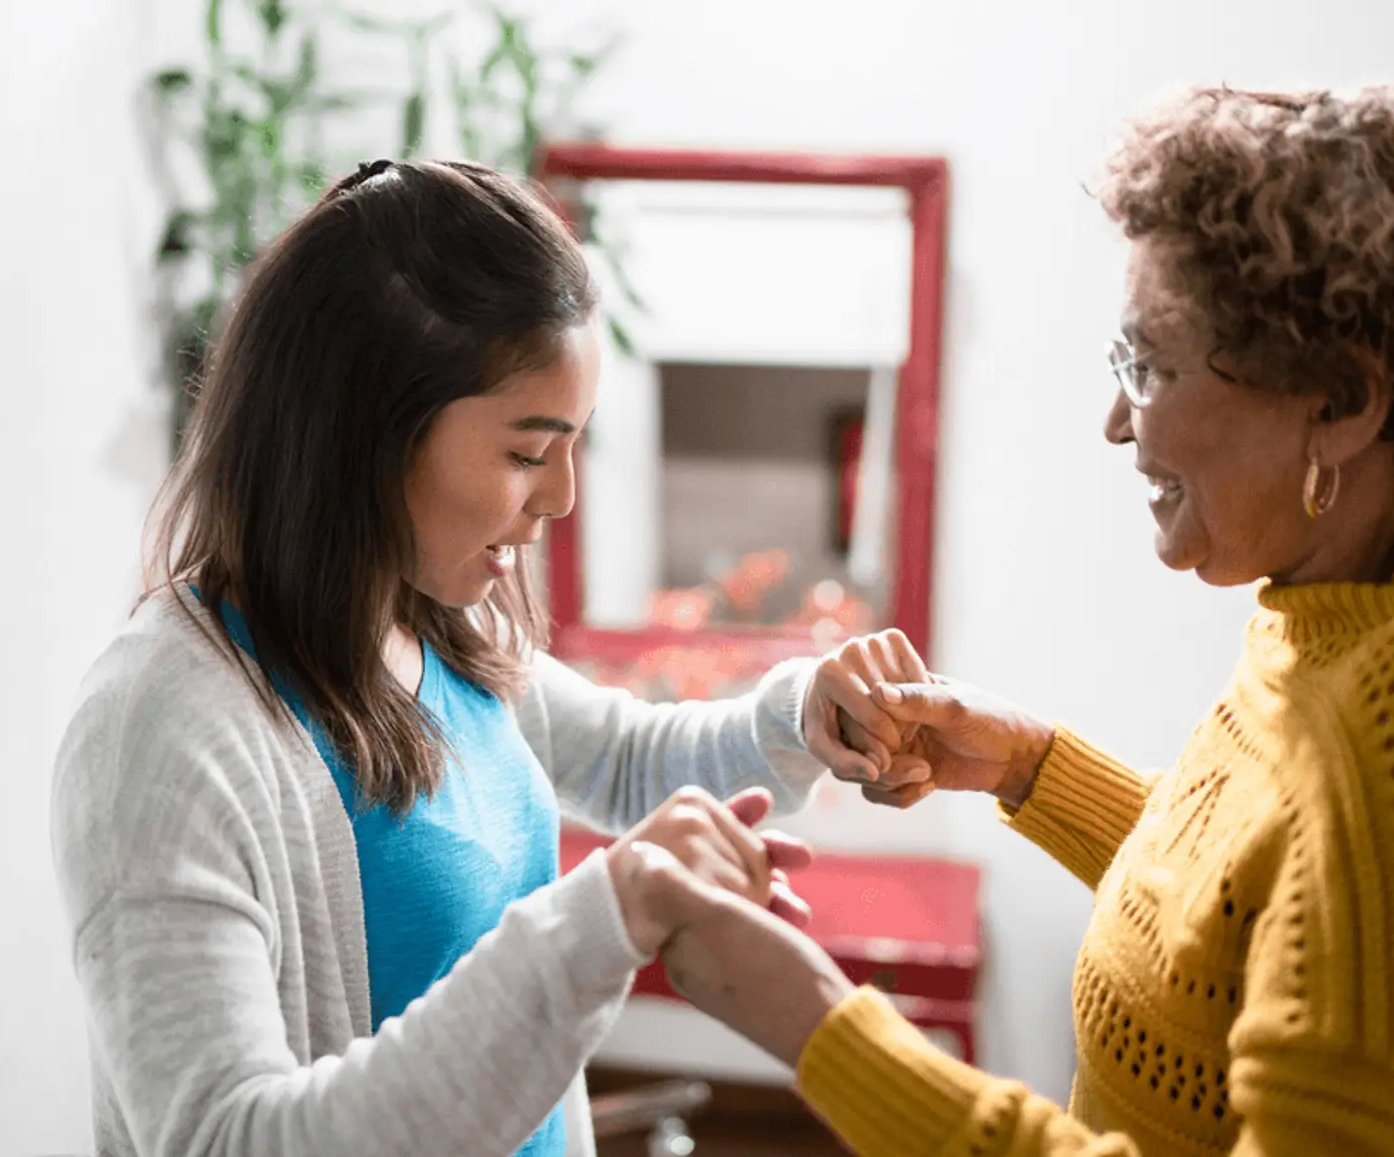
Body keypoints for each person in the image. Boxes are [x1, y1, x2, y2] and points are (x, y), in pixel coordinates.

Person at [630, 85, 1394, 1157]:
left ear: (1339, 399)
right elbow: (1264, 915)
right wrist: (1032, 769)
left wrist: (820, 1025)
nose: (1113, 421)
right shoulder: (1371, 589)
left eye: (1150, 364)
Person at [50, 159, 925, 1157]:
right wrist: (604, 917)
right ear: (364, 431)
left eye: (573, 447)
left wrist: (802, 713)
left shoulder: (437, 630)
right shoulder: (159, 729)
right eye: (524, 452)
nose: (558, 500)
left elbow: (630, 760)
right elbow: (228, 1137)